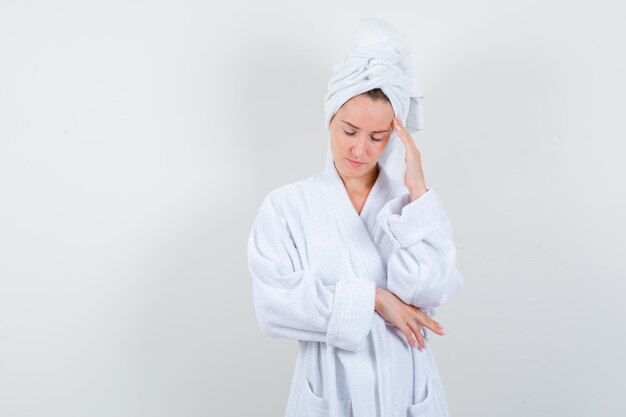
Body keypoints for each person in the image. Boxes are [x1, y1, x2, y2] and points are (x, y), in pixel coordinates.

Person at [247, 18, 463, 417]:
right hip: (329, 395)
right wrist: (374, 300)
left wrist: (417, 192)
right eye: (349, 130)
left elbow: (430, 292)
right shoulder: (286, 208)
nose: (360, 149)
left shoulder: (411, 207)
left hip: (408, 393)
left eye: (377, 137)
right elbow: (274, 305)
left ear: (395, 137)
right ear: (330, 117)